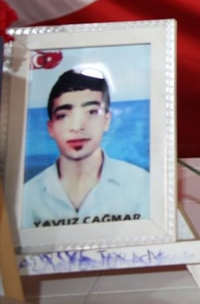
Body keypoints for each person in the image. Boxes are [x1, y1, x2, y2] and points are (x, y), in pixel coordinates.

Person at [22, 69, 150, 228]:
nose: (77, 127)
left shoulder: (141, 183)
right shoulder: (27, 195)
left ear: (107, 120)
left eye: (92, 112)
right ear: (50, 128)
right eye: (63, 115)